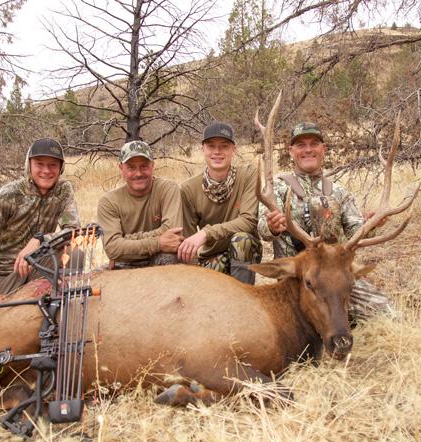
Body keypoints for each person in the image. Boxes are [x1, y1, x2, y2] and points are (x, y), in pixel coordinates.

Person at [257, 122, 395, 325]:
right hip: (296, 279)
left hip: (335, 277)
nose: (308, 149)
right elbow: (262, 228)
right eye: (301, 145)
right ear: (291, 151)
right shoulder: (276, 188)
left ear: (324, 149)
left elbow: (354, 230)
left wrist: (371, 225)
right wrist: (271, 227)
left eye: (314, 144)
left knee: (388, 316)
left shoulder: (339, 192)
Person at [0, 138, 80, 300]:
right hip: (5, 274)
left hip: (38, 265)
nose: (46, 171)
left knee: (75, 254)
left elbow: (73, 232)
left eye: (53, 165)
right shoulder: (9, 195)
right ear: (29, 166)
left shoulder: (63, 190)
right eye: (39, 164)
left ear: (61, 168)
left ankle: (60, 299)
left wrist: (41, 240)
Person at [178, 122, 261, 284]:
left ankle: (243, 297)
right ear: (203, 149)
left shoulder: (249, 175)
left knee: (242, 240)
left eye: (224, 146)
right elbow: (188, 241)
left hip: (245, 253)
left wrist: (206, 233)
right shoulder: (188, 188)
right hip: (211, 258)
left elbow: (248, 221)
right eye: (211, 146)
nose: (217, 151)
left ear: (234, 149)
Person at [98, 140, 183, 268]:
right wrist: (157, 243)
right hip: (125, 263)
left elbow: (173, 234)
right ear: (121, 168)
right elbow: (112, 248)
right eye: (131, 167)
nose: (138, 174)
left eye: (144, 166)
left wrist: (125, 240)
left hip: (159, 258)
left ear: (153, 165)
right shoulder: (108, 202)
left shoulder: (168, 189)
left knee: (170, 258)